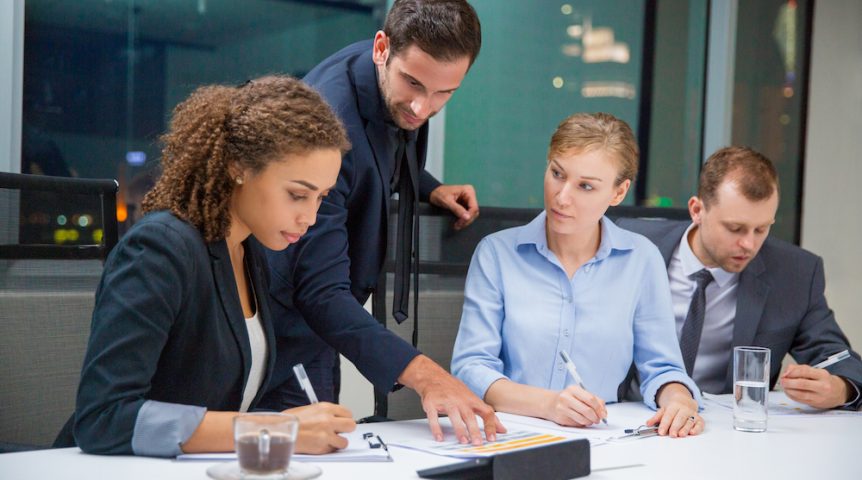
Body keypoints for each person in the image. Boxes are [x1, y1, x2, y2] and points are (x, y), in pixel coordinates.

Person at [73, 75, 357, 456]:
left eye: (321, 198)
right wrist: (275, 429)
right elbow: (104, 418)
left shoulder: (247, 251)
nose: (309, 216)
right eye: (297, 195)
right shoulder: (160, 249)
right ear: (238, 167)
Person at [263, 0, 502, 444]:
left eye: (443, 94)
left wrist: (426, 185)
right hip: (284, 325)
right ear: (382, 48)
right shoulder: (329, 129)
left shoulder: (398, 76)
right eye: (412, 83)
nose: (421, 106)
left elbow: (388, 145)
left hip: (324, 321)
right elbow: (317, 289)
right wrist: (426, 375)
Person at [451, 113, 704, 438]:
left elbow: (663, 368)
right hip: (509, 436)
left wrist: (679, 401)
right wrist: (550, 405)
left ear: (618, 192)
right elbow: (472, 367)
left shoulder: (641, 260)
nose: (562, 196)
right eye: (557, 173)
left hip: (602, 438)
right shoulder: (497, 254)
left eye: (585, 186)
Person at [618, 146, 862, 410]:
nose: (749, 244)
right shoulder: (630, 244)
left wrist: (841, 388)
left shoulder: (795, 273)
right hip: (631, 415)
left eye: (761, 229)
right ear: (697, 210)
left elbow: (837, 357)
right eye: (735, 228)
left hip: (725, 429)